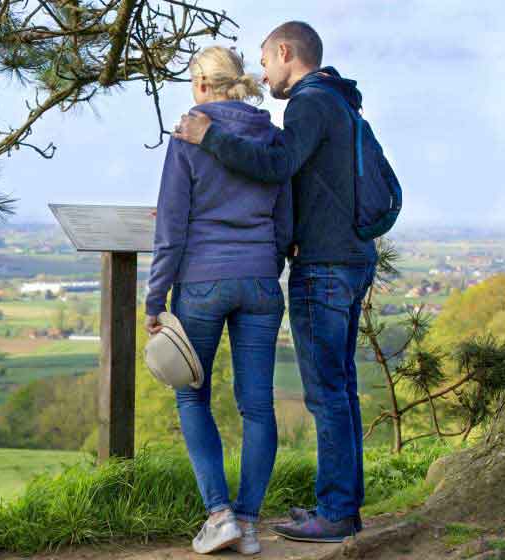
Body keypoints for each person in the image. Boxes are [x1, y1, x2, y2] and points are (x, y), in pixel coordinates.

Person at [172, 21, 378, 543]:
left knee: (327, 393)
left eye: (265, 61)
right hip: (352, 258)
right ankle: (342, 507)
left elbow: (278, 165)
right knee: (341, 389)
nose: (262, 72)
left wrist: (209, 135)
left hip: (325, 265)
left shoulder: (310, 103)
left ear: (285, 52)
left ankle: (334, 513)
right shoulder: (340, 100)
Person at [144, 45, 292, 555]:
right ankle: (250, 524)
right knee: (257, 407)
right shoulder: (272, 138)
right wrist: (262, 272)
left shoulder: (190, 132)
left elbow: (171, 226)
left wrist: (155, 298)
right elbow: (284, 223)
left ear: (203, 85)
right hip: (259, 283)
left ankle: (220, 515)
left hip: (201, 283)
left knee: (191, 395)